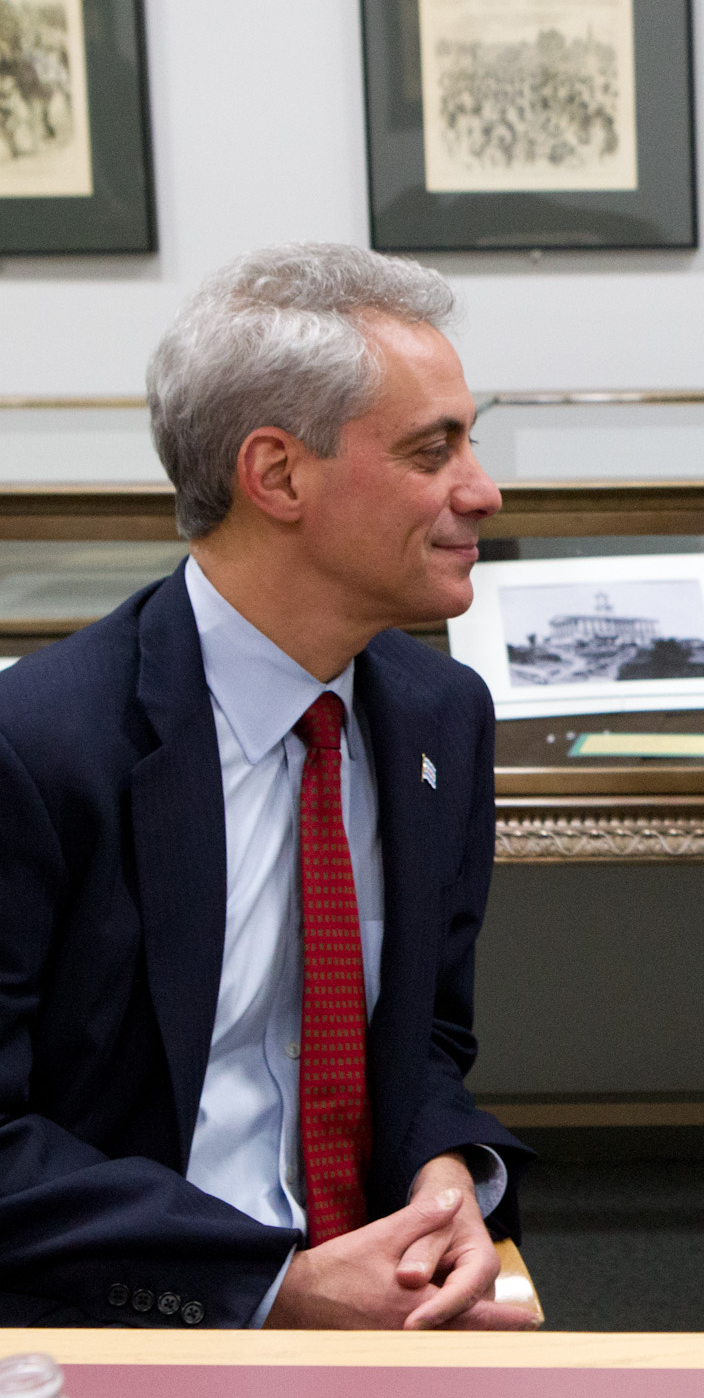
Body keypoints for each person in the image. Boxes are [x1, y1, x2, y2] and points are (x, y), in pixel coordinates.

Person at [0, 243, 536, 1330]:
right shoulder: (39, 748)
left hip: (384, 1293)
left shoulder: (442, 716)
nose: (482, 488)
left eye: (470, 442)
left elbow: (427, 1038)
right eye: (434, 450)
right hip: (120, 1316)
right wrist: (271, 1286)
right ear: (278, 475)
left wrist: (445, 1174)